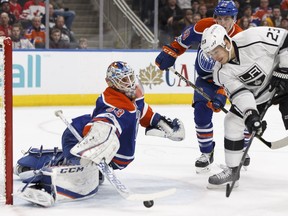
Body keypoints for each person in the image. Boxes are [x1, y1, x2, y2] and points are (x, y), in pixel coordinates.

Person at [14, 61, 185, 206]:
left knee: (91, 168)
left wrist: (163, 124)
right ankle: (46, 181)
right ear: (111, 83)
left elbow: (143, 112)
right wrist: (93, 145)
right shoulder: (113, 104)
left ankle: (77, 161)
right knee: (85, 173)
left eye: (131, 77)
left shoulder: (133, 95)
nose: (130, 83)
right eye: (124, 80)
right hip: (76, 139)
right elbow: (103, 123)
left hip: (109, 152)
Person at [155, 0, 250, 174]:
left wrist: (222, 93)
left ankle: (242, 149)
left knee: (242, 115)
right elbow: (182, 40)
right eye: (219, 18)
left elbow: (237, 72)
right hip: (206, 79)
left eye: (226, 19)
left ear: (234, 19)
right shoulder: (204, 26)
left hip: (233, 82)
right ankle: (207, 153)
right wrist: (170, 52)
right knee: (200, 114)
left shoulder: (240, 39)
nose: (222, 23)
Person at [200, 24, 288, 188]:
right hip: (261, 94)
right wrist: (251, 115)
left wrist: (284, 69)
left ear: (226, 41)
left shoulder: (252, 37)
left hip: (285, 79)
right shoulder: (220, 72)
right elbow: (241, 94)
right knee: (232, 121)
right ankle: (233, 170)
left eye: (215, 51)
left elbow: (286, 39)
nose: (214, 57)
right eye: (210, 54)